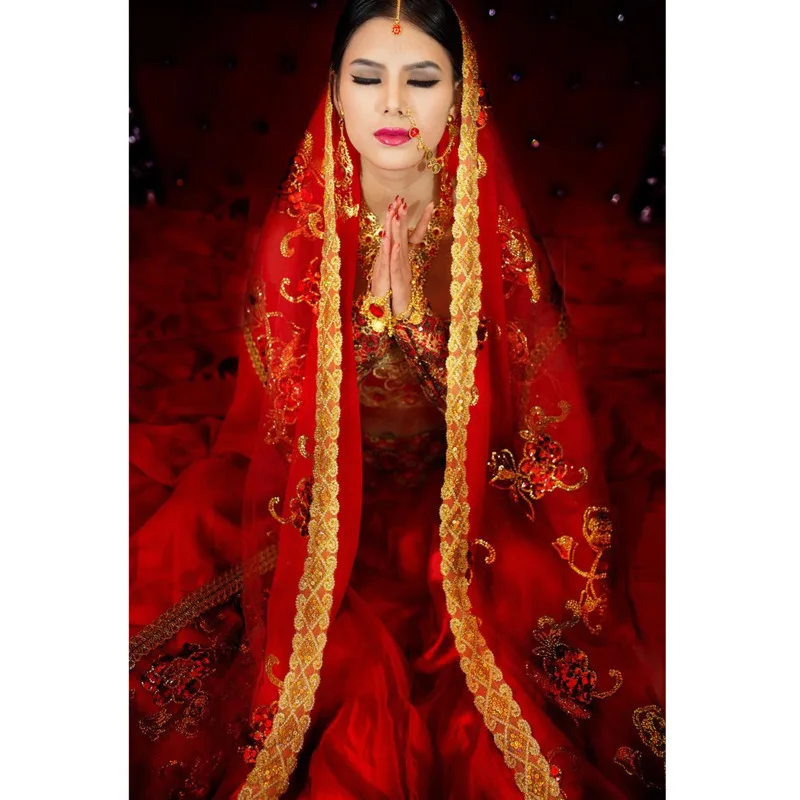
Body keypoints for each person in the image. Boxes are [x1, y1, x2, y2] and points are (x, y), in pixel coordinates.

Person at [129, 1, 665, 798]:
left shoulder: (490, 235)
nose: (391, 104)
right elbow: (291, 419)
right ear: (334, 92)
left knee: (532, 626)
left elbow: (523, 419)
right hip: (327, 504)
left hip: (462, 502)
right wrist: (375, 327)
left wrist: (421, 332)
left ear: (461, 92)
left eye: (421, 79)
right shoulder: (297, 234)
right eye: (366, 77)